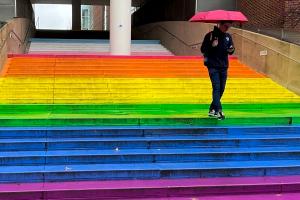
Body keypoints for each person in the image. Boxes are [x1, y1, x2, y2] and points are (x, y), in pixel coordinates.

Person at [201, 21, 235, 120]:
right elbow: (203, 49)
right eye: (225, 26)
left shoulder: (228, 36)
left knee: (222, 88)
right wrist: (212, 45)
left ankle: (212, 109)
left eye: (229, 26)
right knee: (216, 87)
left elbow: (231, 50)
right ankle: (219, 110)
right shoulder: (210, 35)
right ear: (220, 24)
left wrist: (231, 49)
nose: (227, 28)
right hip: (213, 66)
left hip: (224, 66)